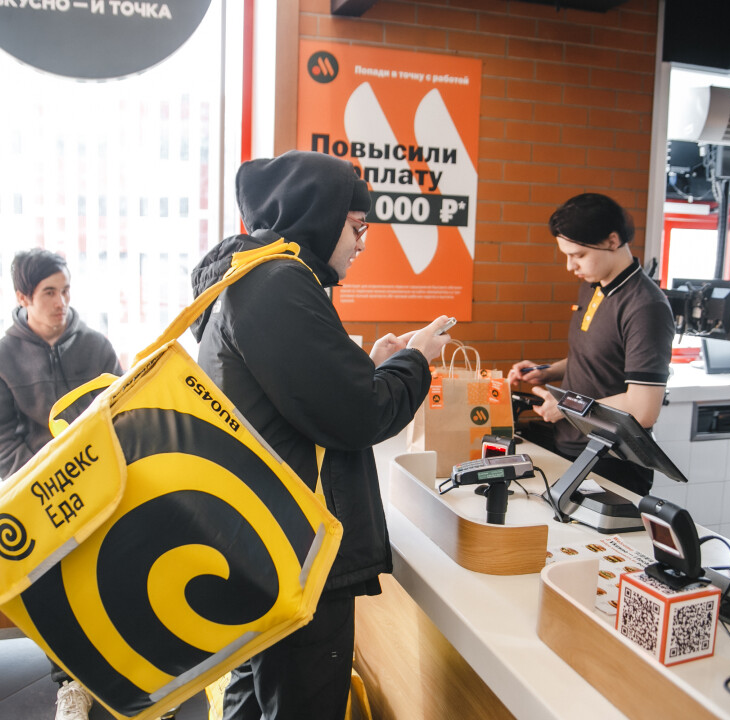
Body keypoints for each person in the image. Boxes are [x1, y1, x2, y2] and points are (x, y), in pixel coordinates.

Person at [189, 150, 453, 720]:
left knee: (252, 694)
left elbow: (302, 396)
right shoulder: (278, 283)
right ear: (320, 215)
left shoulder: (252, 276)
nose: (362, 243)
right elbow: (356, 416)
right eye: (357, 227)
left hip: (261, 535)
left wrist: (372, 367)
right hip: (298, 547)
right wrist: (415, 359)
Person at [0, 248, 123, 720]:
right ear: (23, 297)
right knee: (57, 593)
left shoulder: (97, 347)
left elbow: (122, 414)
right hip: (41, 499)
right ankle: (71, 686)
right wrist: (43, 481)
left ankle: (130, 676)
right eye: (49, 293)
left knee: (114, 580)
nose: (61, 302)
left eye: (65, 290)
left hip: (101, 488)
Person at [507, 193, 674, 497]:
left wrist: (567, 406)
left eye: (579, 255)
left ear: (612, 241)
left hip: (612, 460)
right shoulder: (594, 286)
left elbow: (643, 408)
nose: (570, 266)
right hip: (572, 446)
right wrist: (547, 371)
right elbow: (597, 357)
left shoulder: (646, 307)